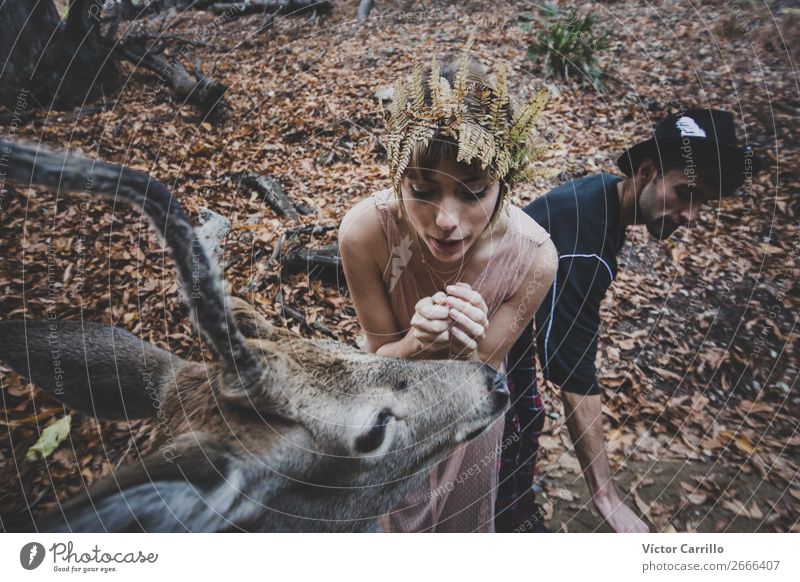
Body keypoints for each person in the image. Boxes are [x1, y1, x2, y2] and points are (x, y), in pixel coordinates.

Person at [496, 108, 762, 533]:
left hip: (506, 323)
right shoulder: (587, 242)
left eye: (703, 202)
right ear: (646, 170)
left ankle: (514, 509)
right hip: (472, 326)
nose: (692, 215)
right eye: (685, 192)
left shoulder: (604, 196)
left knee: (525, 418)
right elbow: (570, 369)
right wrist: (606, 497)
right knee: (505, 430)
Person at [338, 49, 557, 532]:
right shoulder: (364, 235)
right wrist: (417, 343)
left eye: (474, 190)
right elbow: (378, 368)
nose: (446, 220)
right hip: (396, 421)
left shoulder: (535, 258)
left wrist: (466, 349)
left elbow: (481, 375)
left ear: (506, 180)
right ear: (398, 178)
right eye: (423, 190)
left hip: (470, 431)